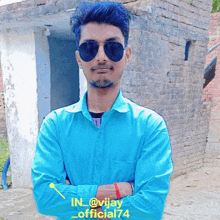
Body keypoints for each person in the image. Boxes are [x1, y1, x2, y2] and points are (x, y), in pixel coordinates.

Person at [31, 1, 173, 220]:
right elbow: (46, 198)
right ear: (79, 58)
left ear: (126, 55)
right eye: (89, 48)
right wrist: (120, 190)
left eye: (112, 47)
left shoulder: (150, 126)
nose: (101, 57)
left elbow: (150, 207)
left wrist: (78, 202)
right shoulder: (55, 125)